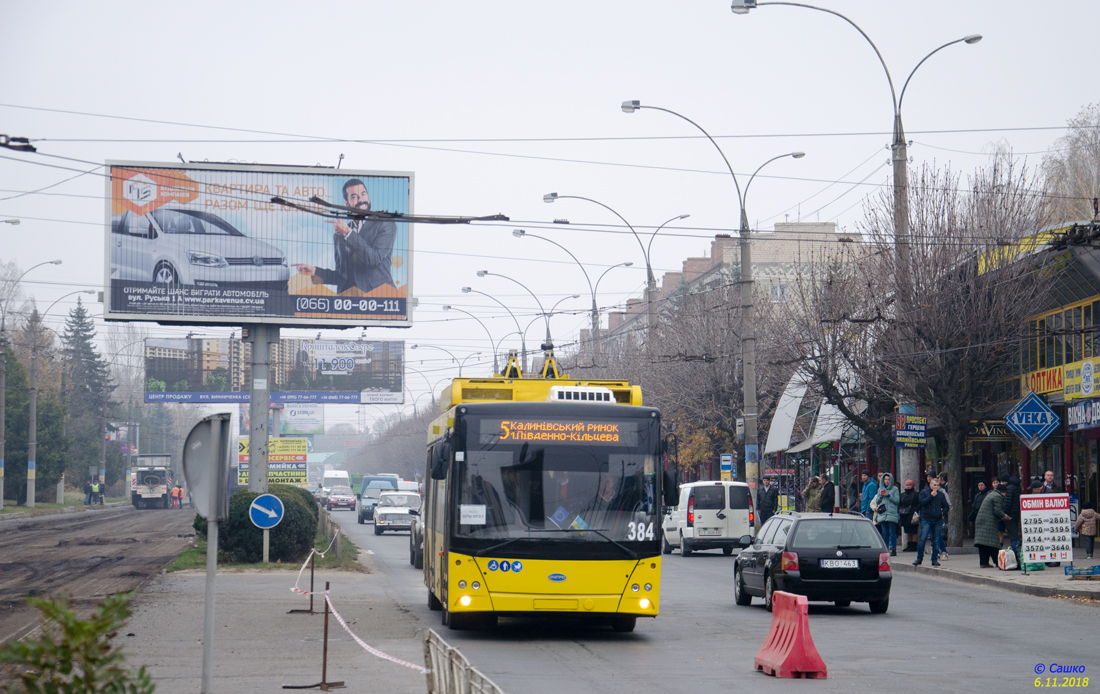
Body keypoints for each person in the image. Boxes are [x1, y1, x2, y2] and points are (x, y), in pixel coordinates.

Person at [292, 179, 397, 295]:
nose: (361, 200)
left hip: (381, 300)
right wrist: (315, 271)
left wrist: (348, 233)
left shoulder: (385, 223)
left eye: (363, 194)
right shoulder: (339, 235)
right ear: (347, 203)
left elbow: (374, 259)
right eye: (354, 197)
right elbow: (342, 276)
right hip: (349, 303)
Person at [973, 478, 1011, 568]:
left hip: (982, 521)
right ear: (1002, 492)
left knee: (983, 543)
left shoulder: (992, 494)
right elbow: (997, 510)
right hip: (988, 522)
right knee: (993, 543)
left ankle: (984, 562)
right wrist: (1005, 516)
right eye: (1005, 493)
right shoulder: (997, 497)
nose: (1005, 495)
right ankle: (998, 562)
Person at [914, 477, 950, 567]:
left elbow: (946, 506)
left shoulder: (941, 495)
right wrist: (931, 496)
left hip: (937, 520)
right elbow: (922, 503)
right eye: (934, 485)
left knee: (936, 540)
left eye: (937, 485)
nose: (936, 487)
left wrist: (942, 512)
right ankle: (919, 558)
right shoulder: (924, 492)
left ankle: (934, 559)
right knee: (923, 539)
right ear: (930, 484)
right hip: (927, 519)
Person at [876, 473, 900, 555]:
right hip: (883, 514)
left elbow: (897, 501)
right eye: (885, 479)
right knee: (885, 532)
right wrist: (881, 496)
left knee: (892, 531)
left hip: (891, 513)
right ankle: (885, 549)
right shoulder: (880, 489)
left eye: (888, 479)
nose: (887, 481)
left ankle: (893, 549)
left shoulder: (895, 489)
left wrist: (888, 495)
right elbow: (877, 501)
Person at [898, 479, 920, 552]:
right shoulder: (903, 494)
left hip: (912, 514)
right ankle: (909, 545)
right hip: (905, 514)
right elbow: (900, 503)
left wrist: (914, 510)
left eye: (909, 485)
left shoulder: (916, 494)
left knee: (913, 530)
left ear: (913, 486)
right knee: (907, 530)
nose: (908, 486)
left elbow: (920, 504)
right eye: (907, 485)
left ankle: (914, 545)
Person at [1001, 474, 1022, 543]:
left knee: (1012, 533)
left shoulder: (1009, 488)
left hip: (1010, 513)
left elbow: (1007, 502)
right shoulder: (1017, 487)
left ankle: (1015, 547)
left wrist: (1004, 513)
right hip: (1016, 512)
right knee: (1015, 530)